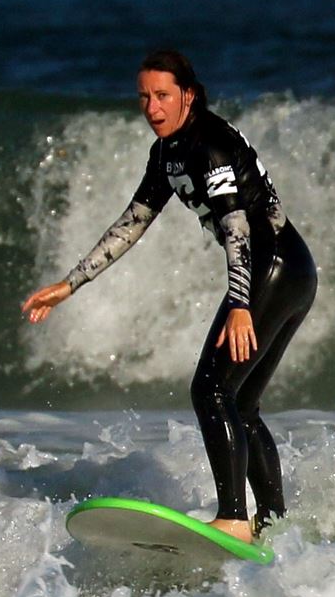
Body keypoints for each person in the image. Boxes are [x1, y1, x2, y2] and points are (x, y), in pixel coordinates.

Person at [22, 50, 317, 544]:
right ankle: (273, 524)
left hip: (272, 268)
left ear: (188, 95)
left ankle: (233, 519)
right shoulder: (167, 153)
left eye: (162, 95)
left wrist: (240, 304)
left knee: (211, 390)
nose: (152, 107)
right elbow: (132, 223)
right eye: (144, 97)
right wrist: (70, 284)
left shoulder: (210, 145)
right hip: (290, 270)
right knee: (241, 403)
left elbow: (237, 227)